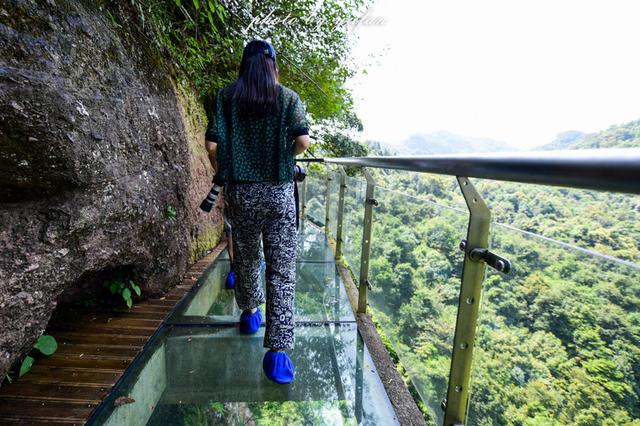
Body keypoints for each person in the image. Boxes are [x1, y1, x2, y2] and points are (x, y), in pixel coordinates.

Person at [204, 39, 310, 384]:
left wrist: (226, 169)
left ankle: (250, 314)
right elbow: (303, 141)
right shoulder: (288, 98)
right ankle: (277, 355)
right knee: (281, 269)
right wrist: (285, 156)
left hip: (242, 193)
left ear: (243, 66)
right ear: (273, 66)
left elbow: (212, 145)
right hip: (278, 193)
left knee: (248, 257)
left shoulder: (226, 97)